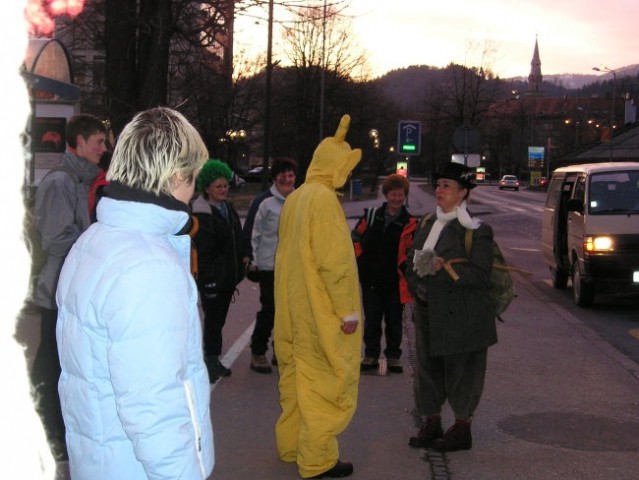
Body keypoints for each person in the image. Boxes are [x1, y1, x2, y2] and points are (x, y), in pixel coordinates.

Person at [55, 107, 215, 479]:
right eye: (192, 177)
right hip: (136, 466)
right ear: (177, 175)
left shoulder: (95, 240)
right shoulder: (147, 266)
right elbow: (153, 403)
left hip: (101, 457)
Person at [274, 114, 362, 479]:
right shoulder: (324, 201)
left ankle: (293, 445)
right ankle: (317, 459)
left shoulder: (295, 198)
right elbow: (335, 264)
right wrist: (348, 312)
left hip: (291, 308)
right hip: (317, 309)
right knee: (324, 380)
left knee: (296, 380)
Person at [31, 113, 108, 461]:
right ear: (78, 142)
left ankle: (53, 430)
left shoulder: (78, 180)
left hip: (68, 287)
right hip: (55, 290)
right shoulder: (61, 182)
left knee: (59, 361)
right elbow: (56, 240)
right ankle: (45, 434)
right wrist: (96, 240)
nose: (104, 149)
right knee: (50, 363)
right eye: (98, 142)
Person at [405, 162, 496, 452]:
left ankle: (462, 429)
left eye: (447, 186)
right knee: (428, 372)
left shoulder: (476, 231)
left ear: (463, 192)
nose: (439, 190)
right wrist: (416, 282)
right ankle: (432, 423)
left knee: (462, 373)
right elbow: (413, 263)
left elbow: (481, 275)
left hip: (463, 317)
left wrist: (444, 269)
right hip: (428, 310)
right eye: (439, 185)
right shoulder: (428, 223)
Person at [351, 174, 417, 374]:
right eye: (393, 195)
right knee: (372, 318)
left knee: (395, 321)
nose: (397, 199)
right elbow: (354, 238)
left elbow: (415, 251)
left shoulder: (411, 222)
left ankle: (393, 356)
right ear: (386, 195)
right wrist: (361, 261)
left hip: (396, 282)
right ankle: (371, 354)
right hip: (371, 279)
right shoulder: (371, 216)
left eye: (401, 195)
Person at [242, 157, 298, 373]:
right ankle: (257, 352)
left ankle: (281, 352)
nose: (287, 179)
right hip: (268, 267)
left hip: (292, 267)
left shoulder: (299, 200)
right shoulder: (264, 203)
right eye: (282, 175)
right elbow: (252, 232)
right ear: (275, 178)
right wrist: (251, 260)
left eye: (290, 175)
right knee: (271, 310)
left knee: (290, 313)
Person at [191, 159, 245, 383]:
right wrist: (209, 281)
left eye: (225, 186)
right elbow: (205, 253)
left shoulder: (227, 209)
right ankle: (209, 360)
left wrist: (243, 260)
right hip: (213, 278)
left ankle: (212, 357)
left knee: (219, 320)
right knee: (213, 320)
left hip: (227, 277)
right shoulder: (202, 214)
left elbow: (237, 238)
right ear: (206, 188)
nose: (223, 190)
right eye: (218, 186)